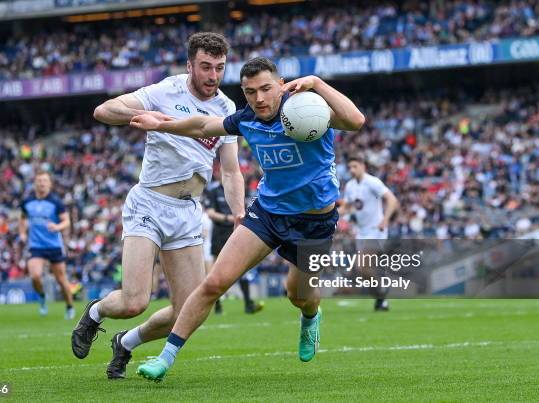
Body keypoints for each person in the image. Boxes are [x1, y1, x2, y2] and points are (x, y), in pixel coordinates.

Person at [130, 57, 365, 382]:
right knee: (213, 283)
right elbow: (201, 126)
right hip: (267, 213)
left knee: (298, 296)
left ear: (281, 85)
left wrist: (317, 82)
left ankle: (311, 318)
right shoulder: (246, 119)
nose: (259, 98)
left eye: (266, 88)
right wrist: (162, 124)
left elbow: (355, 120)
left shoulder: (307, 107)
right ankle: (165, 357)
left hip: (313, 223)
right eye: (250, 91)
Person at [70, 32, 245, 380]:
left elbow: (230, 170)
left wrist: (239, 215)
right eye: (206, 67)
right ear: (189, 65)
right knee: (135, 301)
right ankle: (95, 314)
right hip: (149, 203)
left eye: (219, 68)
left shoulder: (226, 109)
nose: (213, 76)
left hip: (187, 212)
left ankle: (127, 342)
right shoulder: (165, 91)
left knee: (191, 310)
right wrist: (144, 113)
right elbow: (103, 111)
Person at [342, 155, 399, 311]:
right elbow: (347, 207)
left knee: (361, 266)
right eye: (349, 167)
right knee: (364, 271)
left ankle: (381, 292)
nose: (352, 170)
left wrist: (385, 219)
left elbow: (392, 200)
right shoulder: (350, 186)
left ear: (363, 166)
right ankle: (381, 297)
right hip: (361, 232)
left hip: (376, 230)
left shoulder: (372, 182)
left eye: (355, 166)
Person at [204, 169, 263, 314]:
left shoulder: (237, 190)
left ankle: (248, 304)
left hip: (235, 232)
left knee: (242, 268)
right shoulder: (214, 191)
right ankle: (217, 306)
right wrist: (228, 218)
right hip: (219, 233)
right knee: (216, 269)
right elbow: (210, 213)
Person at [19, 171, 75, 319]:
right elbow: (22, 218)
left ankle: (69, 306)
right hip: (36, 245)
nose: (42, 183)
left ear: (49, 184)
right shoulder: (27, 202)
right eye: (39, 181)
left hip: (53, 245)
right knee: (35, 276)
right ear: (35, 183)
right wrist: (22, 233)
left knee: (61, 279)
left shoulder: (56, 202)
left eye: (44, 181)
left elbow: (66, 221)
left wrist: (58, 227)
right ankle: (42, 297)